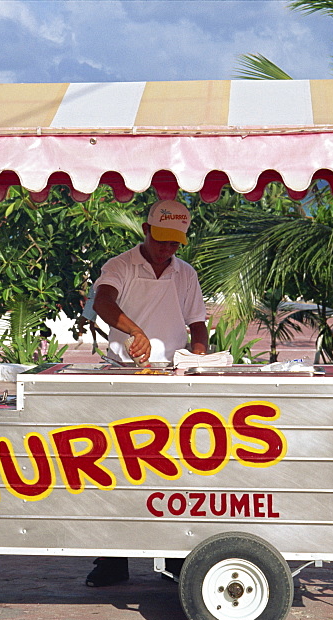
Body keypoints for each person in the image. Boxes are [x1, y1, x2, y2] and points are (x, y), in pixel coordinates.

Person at [84, 198, 209, 588]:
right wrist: (135, 332)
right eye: (162, 241)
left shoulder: (185, 274)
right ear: (146, 230)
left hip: (170, 379)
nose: (167, 250)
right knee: (116, 469)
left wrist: (199, 356)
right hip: (122, 375)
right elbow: (103, 301)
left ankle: (174, 557)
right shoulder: (120, 266)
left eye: (175, 244)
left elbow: (198, 324)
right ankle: (112, 560)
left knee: (172, 469)